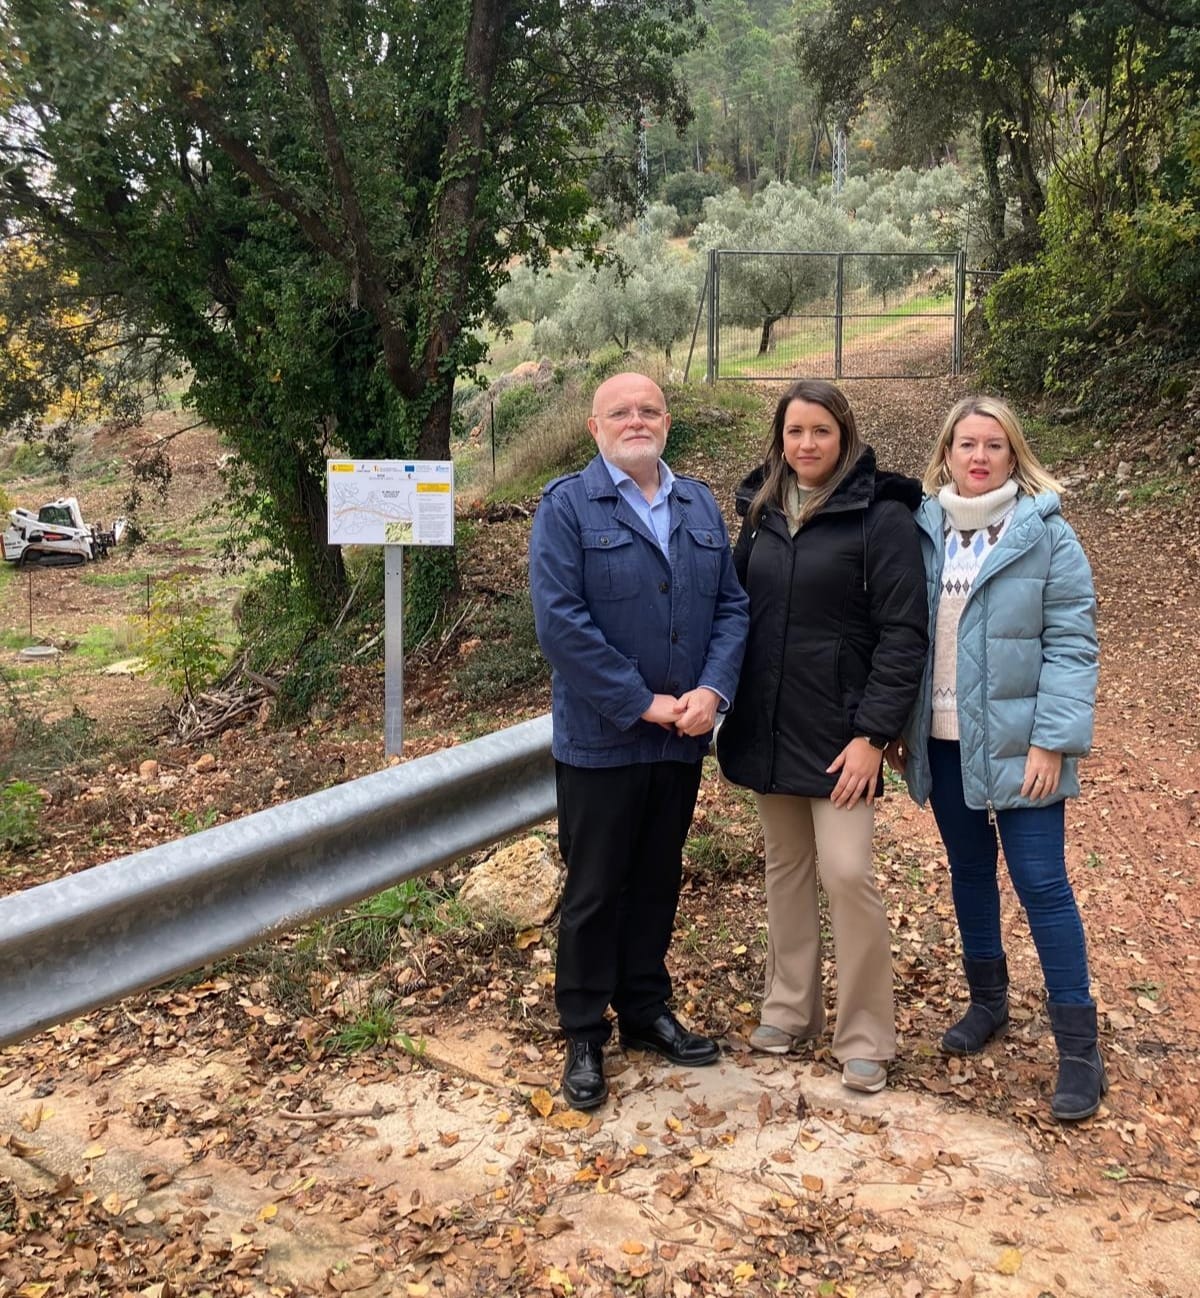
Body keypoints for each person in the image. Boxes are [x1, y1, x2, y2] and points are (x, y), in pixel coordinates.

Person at [528, 372, 749, 1111]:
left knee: (658, 877)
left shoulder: (698, 503)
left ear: (666, 421)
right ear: (595, 428)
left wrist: (713, 693)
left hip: (681, 739)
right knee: (595, 889)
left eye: (648, 409)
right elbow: (561, 625)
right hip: (602, 739)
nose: (636, 420)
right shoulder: (566, 507)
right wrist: (641, 702)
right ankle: (584, 1029)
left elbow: (731, 608)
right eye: (619, 411)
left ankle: (646, 1010)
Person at [888, 395, 1104, 1121]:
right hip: (944, 740)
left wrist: (1053, 739)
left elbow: (1073, 646)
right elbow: (902, 636)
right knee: (970, 871)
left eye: (994, 446)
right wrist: (901, 725)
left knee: (1042, 883)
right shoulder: (923, 531)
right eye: (965, 444)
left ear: (1015, 456)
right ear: (945, 453)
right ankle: (989, 1004)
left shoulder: (1048, 538)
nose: (978, 458)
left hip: (1022, 744)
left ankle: (1079, 1049)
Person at [716, 379, 927, 1094]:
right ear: (780, 437)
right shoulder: (764, 511)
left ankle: (866, 1033)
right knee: (786, 872)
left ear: (845, 437)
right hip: (770, 726)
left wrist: (874, 733)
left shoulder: (881, 517)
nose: (805, 445)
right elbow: (734, 610)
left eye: (820, 432)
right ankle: (790, 1009)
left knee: (846, 872)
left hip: (841, 736)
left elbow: (904, 634)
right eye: (794, 432)